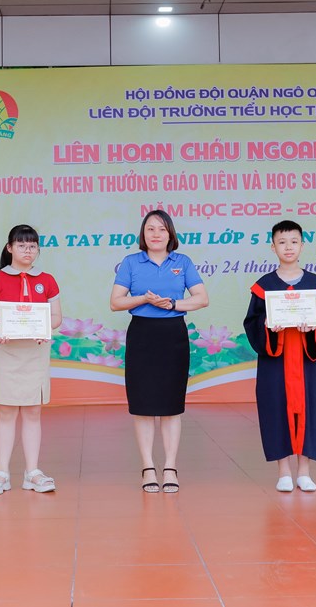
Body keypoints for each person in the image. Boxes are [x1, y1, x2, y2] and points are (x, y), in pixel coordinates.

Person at [109, 210, 208, 493]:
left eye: (162, 229)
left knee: (171, 406)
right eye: (150, 229)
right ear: (143, 234)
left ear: (170, 234)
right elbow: (115, 302)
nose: (155, 234)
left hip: (173, 335)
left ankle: (170, 467)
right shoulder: (131, 262)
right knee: (143, 406)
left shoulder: (182, 262)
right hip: (142, 335)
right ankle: (148, 468)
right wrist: (144, 299)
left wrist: (173, 305)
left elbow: (202, 299)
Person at [243, 221, 316, 492]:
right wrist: (268, 328)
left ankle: (304, 471)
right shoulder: (264, 286)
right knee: (275, 410)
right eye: (282, 242)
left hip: (307, 360)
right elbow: (251, 322)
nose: (288, 247)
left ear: (302, 246)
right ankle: (283, 471)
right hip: (276, 360)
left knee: (310, 410)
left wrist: (313, 329)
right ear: (273, 247)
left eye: (294, 242)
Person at [0, 224, 63, 495]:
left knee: (32, 412)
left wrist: (44, 328)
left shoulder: (47, 280)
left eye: (32, 246)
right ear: (10, 248)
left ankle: (32, 472)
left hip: (35, 352)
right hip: (7, 351)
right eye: (22, 245)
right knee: (6, 412)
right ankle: (2, 473)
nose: (28, 250)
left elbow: (56, 317)